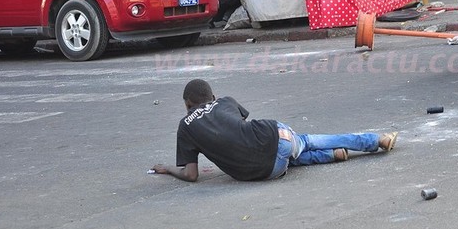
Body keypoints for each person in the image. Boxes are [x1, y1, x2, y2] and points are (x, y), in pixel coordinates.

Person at [152, 79, 399, 182]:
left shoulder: (185, 126)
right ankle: (375, 139)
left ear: (187, 106)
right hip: (275, 136)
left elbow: (191, 174)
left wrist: (169, 169)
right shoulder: (225, 100)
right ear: (212, 97)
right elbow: (241, 125)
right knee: (306, 141)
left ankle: (331, 156)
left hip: (266, 172)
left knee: (283, 158)